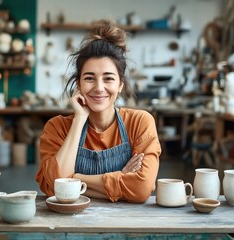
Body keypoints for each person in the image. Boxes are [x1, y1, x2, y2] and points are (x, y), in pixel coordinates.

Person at [35, 19, 161, 203]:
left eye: (108, 79)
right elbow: (54, 186)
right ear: (78, 84)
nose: (99, 88)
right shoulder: (57, 128)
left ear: (120, 85)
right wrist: (79, 120)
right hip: (69, 225)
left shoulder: (139, 122)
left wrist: (74, 180)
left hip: (127, 225)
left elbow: (141, 189)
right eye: (89, 78)